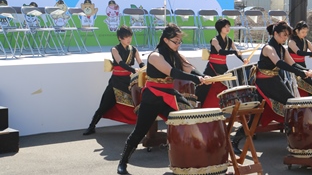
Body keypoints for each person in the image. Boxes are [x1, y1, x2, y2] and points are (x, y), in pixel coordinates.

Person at [116, 23, 210, 175]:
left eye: (180, 42)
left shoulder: (176, 54)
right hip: (152, 96)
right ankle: (123, 163)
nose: (178, 44)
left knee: (188, 121)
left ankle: (187, 163)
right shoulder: (155, 56)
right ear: (166, 40)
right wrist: (196, 78)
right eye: (176, 41)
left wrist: (202, 75)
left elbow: (188, 67)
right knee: (139, 131)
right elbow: (173, 72)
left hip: (170, 94)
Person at [231, 21, 312, 154]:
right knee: (259, 116)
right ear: (275, 33)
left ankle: (297, 139)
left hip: (274, 80)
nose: (285, 38)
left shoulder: (282, 48)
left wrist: (307, 71)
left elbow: (293, 65)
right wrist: (302, 73)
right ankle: (234, 142)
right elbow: (280, 63)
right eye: (283, 35)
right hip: (263, 82)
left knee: (288, 106)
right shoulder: (268, 48)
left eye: (287, 35)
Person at [83, 25, 144, 135]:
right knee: (105, 105)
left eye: (130, 36)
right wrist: (134, 70)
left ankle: (143, 128)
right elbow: (120, 63)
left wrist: (144, 68)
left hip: (129, 81)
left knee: (139, 103)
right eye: (126, 37)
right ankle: (92, 126)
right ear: (120, 38)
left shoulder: (133, 49)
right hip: (116, 82)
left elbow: (140, 61)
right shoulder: (115, 49)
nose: (129, 39)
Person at [196, 18, 248, 107]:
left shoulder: (230, 40)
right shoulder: (214, 40)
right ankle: (201, 105)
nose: (227, 28)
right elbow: (220, 51)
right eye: (225, 26)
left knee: (225, 87)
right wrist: (233, 52)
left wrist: (243, 60)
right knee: (205, 85)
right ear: (220, 28)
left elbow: (237, 52)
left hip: (223, 66)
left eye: (228, 26)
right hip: (213, 66)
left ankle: (222, 106)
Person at [288, 20, 312, 95]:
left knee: (311, 86)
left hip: (303, 66)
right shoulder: (291, 41)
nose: (305, 34)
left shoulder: (306, 42)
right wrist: (310, 53)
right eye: (303, 32)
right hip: (293, 68)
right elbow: (298, 52)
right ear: (297, 31)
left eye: (306, 32)